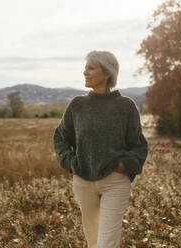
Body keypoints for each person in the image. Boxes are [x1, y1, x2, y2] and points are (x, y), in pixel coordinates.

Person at [53, 50, 148, 248]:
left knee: (107, 244)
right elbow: (61, 138)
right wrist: (70, 163)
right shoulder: (77, 105)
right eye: (85, 68)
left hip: (115, 182)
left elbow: (138, 145)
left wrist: (124, 166)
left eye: (91, 68)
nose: (85, 72)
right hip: (83, 182)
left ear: (106, 73)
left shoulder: (126, 106)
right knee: (93, 241)